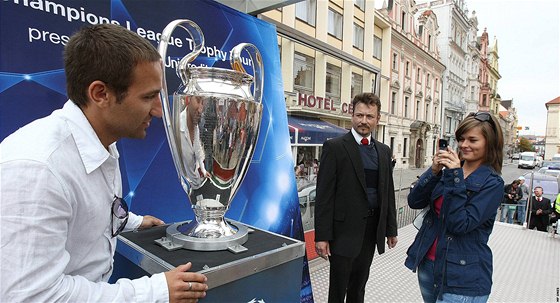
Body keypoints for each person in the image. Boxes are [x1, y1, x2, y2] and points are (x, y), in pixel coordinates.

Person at [0, 24, 207, 302]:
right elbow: (33, 296)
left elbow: (87, 212)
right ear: (100, 94)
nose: (159, 111)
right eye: (148, 97)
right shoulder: (38, 169)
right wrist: (154, 291)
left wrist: (132, 222)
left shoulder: (100, 142)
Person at [405, 112, 505, 303]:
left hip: (462, 277)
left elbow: (460, 224)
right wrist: (434, 171)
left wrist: (455, 176)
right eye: (461, 139)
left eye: (472, 140)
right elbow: (414, 201)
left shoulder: (492, 183)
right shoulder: (450, 171)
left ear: (489, 142)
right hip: (429, 265)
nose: (464, 145)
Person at [314, 93, 398, 303]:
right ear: (352, 115)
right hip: (343, 232)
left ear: (377, 119)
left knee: (359, 287)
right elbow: (324, 195)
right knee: (338, 290)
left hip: (370, 231)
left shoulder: (383, 151)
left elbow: (387, 192)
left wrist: (391, 229)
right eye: (359, 115)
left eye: (370, 116)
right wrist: (322, 236)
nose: (364, 121)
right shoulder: (334, 147)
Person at [179, 95, 211, 189]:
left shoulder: (196, 127)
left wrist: (204, 171)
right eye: (198, 100)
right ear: (188, 99)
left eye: (203, 104)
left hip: (196, 183)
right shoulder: (175, 125)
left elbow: (198, 150)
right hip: (183, 188)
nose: (201, 110)